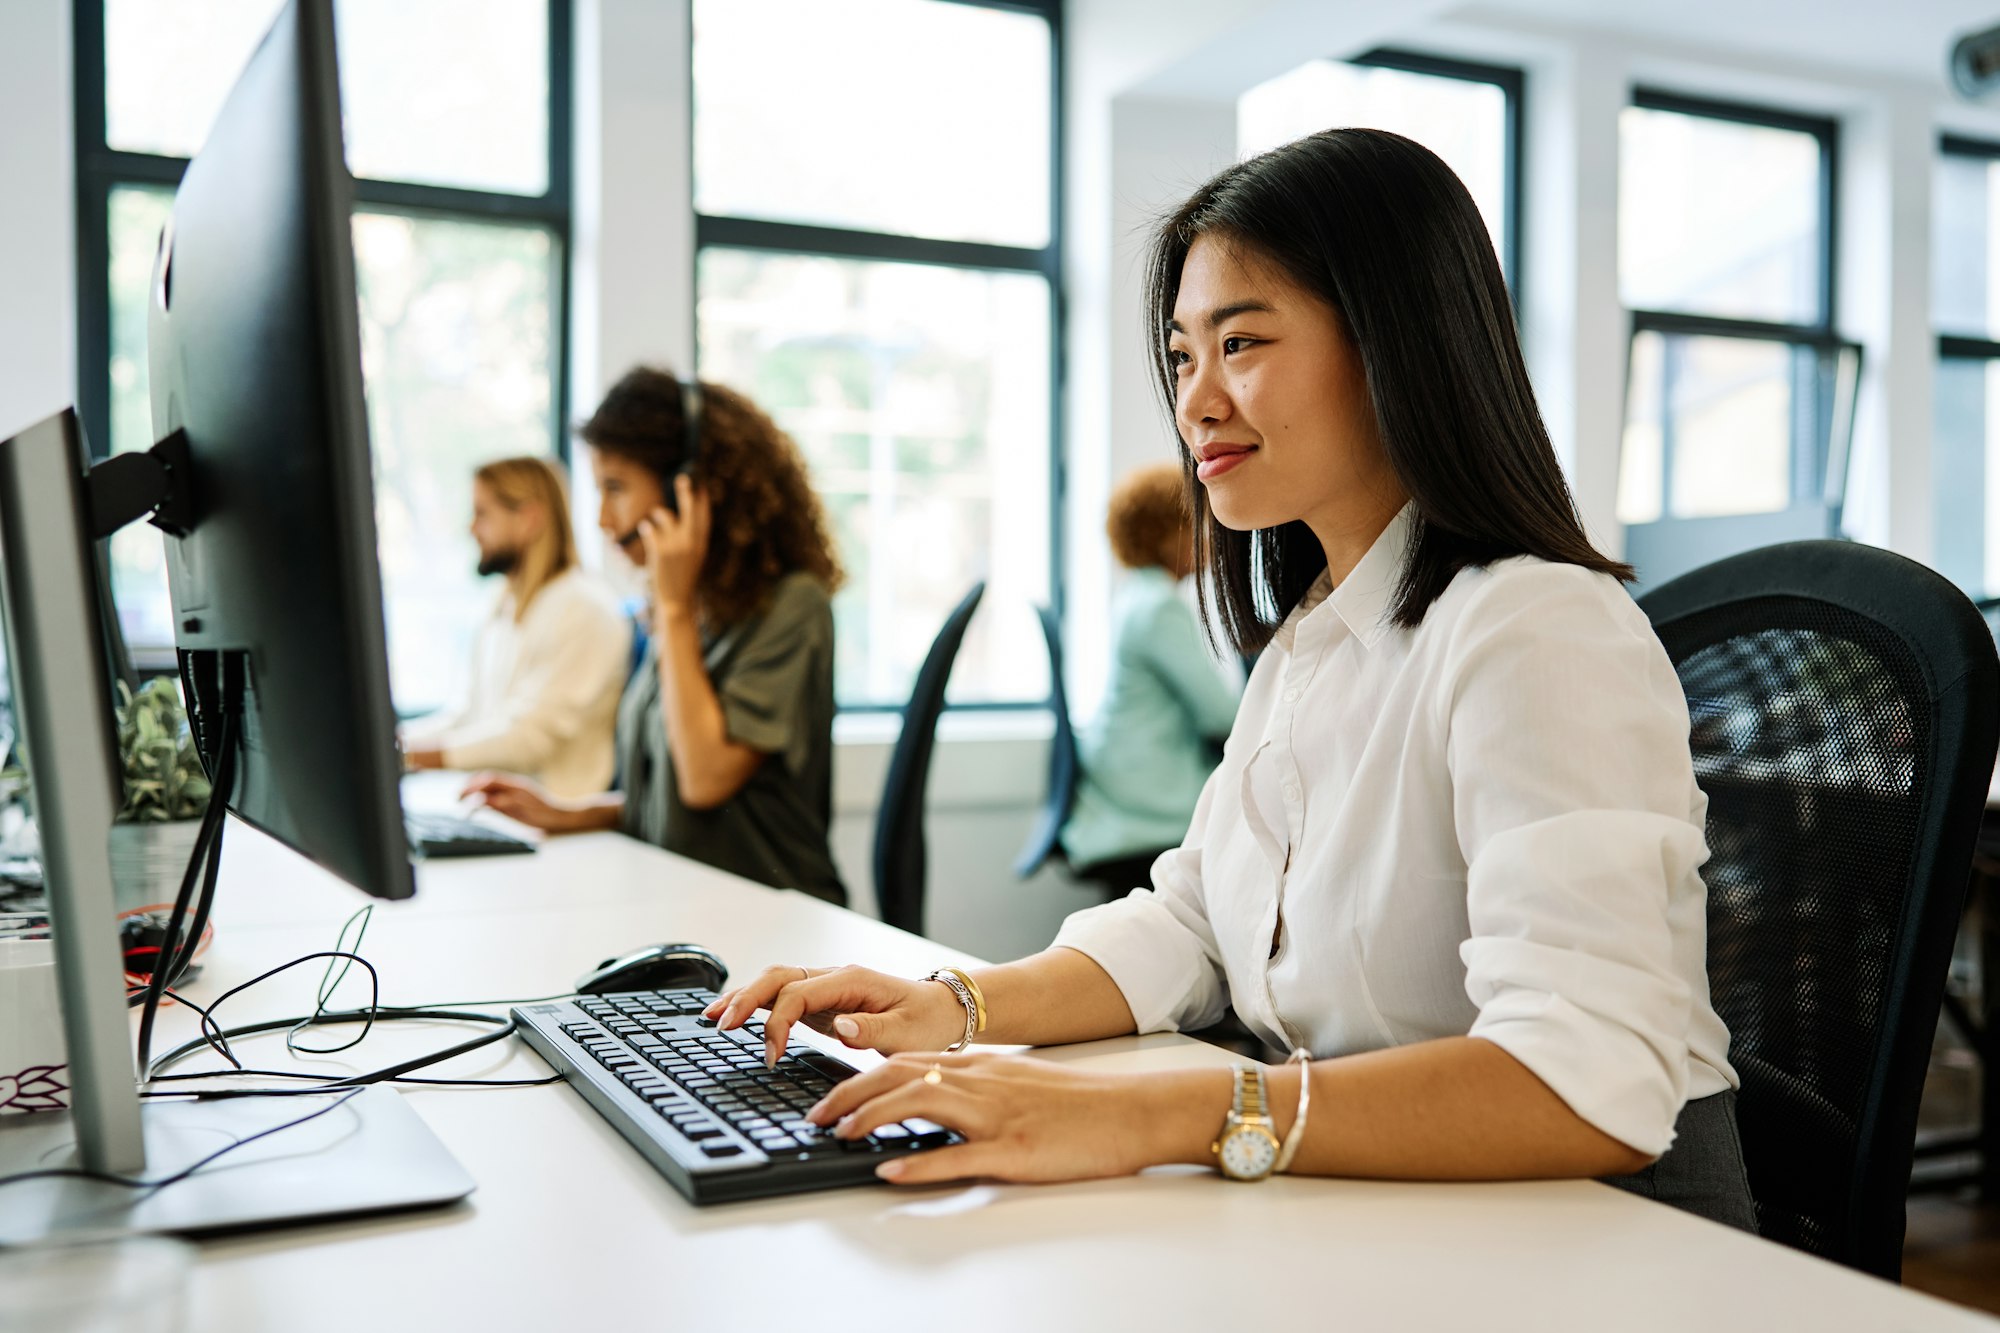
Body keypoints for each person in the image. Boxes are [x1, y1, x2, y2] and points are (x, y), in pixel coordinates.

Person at [701, 128, 1755, 1230]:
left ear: (1396, 343)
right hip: (1403, 1210)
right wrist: (950, 1006)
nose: (1194, 401)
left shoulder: (1535, 629)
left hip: (1603, 1231)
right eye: (1178, 356)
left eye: (1239, 343)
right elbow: (1195, 923)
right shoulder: (1311, 637)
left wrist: (1159, 1112)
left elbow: (1582, 1080)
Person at [465, 368, 848, 907]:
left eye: (616, 489)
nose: (601, 518)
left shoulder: (791, 606)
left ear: (687, 489)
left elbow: (705, 779)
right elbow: (670, 799)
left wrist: (672, 607)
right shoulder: (692, 610)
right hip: (682, 899)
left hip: (770, 919)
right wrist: (569, 812)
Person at [400, 456, 630, 801]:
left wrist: (410, 756)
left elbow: (529, 738)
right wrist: (394, 741)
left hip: (557, 826)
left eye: (482, 513)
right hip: (496, 809)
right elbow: (468, 714)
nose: (471, 529)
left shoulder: (584, 608)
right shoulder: (504, 607)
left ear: (529, 519)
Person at [1061, 462, 1241, 889]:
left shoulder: (1136, 595)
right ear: (1166, 536)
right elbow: (1224, 717)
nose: (1208, 540)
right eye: (1197, 526)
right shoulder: (1161, 608)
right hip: (1147, 796)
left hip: (1118, 778)